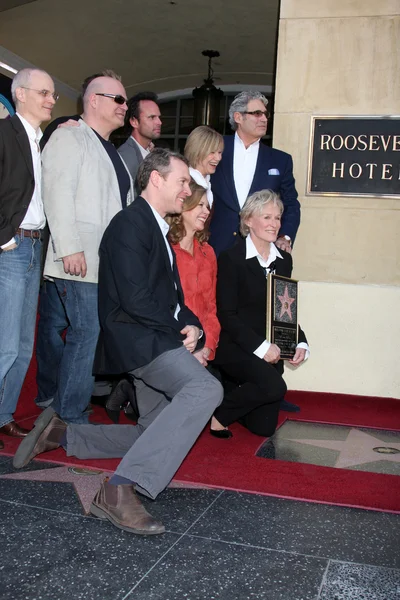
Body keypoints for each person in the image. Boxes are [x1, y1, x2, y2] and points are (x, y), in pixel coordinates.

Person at [13, 148, 223, 536]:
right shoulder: (130, 225)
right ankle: (119, 490)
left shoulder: (156, 227)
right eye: (182, 182)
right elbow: (135, 298)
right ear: (155, 179)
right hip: (140, 340)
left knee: (154, 432)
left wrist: (195, 327)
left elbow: (173, 299)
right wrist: (182, 332)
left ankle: (64, 433)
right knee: (204, 390)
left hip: (154, 334)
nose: (187, 190)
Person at [41, 71, 134, 424]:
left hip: (102, 262)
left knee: (87, 334)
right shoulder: (70, 137)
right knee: (86, 333)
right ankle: (70, 415)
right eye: (118, 99)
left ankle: (64, 408)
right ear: (93, 100)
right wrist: (69, 248)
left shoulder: (110, 150)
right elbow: (57, 194)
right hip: (78, 258)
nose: (125, 106)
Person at [212, 189, 309, 438]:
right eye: (267, 217)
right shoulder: (231, 258)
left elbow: (284, 311)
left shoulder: (284, 260)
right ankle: (218, 415)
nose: (274, 224)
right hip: (237, 347)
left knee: (263, 429)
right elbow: (227, 315)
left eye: (277, 218)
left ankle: (235, 389)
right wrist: (261, 346)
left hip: (270, 352)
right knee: (276, 387)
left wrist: (300, 341)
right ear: (248, 220)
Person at [0, 68, 57, 440]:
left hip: (35, 246)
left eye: (53, 93)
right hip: (12, 247)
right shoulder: (4, 133)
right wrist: (3, 239)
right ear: (20, 94)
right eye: (45, 92)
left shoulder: (39, 140)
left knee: (23, 347)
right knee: (5, 345)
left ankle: (3, 414)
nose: (52, 99)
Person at [209, 91, 301, 257]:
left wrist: (284, 236)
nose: (264, 119)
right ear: (238, 117)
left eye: (265, 114)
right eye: (257, 114)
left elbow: (291, 203)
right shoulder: (216, 148)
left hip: (260, 249)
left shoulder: (280, 160)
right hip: (215, 246)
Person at [167, 181, 220, 368]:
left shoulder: (209, 253)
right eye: (200, 205)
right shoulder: (166, 251)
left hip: (203, 347)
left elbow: (211, 308)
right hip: (175, 345)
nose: (206, 211)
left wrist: (207, 346)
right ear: (183, 207)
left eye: (207, 206)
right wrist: (192, 347)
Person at [118, 91, 162, 188]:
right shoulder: (125, 157)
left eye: (159, 117)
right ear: (134, 122)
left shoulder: (150, 152)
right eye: (152, 117)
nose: (159, 122)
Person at [184, 125, 224, 207]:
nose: (218, 158)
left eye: (219, 152)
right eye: (212, 152)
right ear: (197, 152)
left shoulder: (208, 182)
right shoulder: (184, 184)